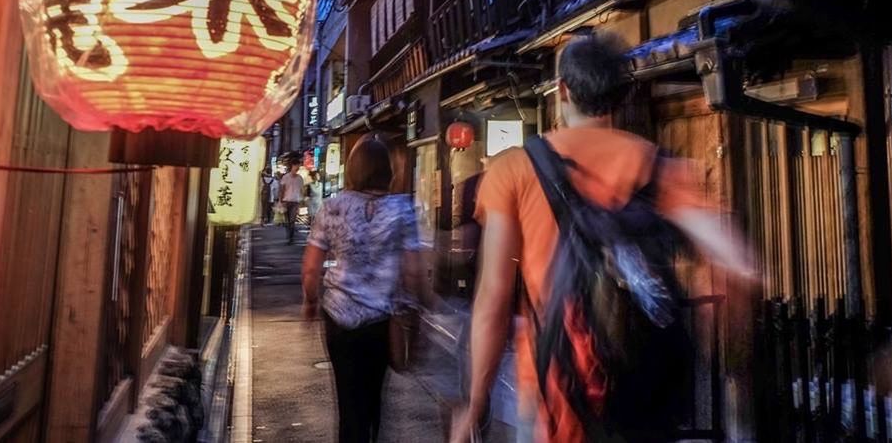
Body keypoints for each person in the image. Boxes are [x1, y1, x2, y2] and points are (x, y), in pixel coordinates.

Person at [449, 30, 755, 443]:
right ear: (619, 94)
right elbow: (736, 265)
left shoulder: (514, 170)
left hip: (554, 397)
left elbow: (493, 298)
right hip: (641, 399)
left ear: (563, 91)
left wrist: (476, 400)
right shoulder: (657, 165)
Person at [302, 133, 422, 443]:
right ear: (386, 170)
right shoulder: (402, 209)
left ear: (353, 169)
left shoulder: (332, 208)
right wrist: (416, 304)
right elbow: (412, 269)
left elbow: (312, 266)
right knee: (373, 395)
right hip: (381, 319)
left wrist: (311, 301)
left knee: (347, 396)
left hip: (339, 316)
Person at [279, 153, 305, 244]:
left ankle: (291, 238)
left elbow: (302, 191)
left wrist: (302, 202)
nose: (297, 168)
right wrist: (280, 201)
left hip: (295, 202)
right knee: (287, 221)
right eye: (296, 166)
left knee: (292, 220)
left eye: (298, 166)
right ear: (292, 166)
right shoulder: (285, 177)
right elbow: (282, 190)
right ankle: (289, 235)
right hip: (286, 201)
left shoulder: (300, 178)